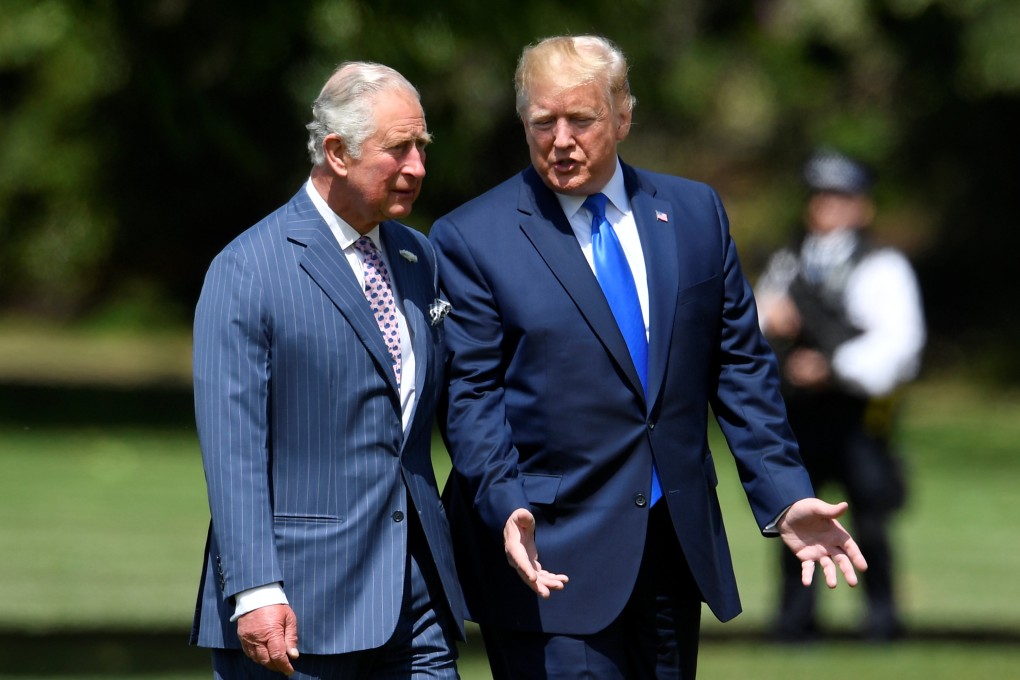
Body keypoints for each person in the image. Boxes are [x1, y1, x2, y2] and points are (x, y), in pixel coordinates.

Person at [429, 35, 868, 679]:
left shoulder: (694, 213)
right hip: (546, 554)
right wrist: (502, 502)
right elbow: (471, 396)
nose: (561, 140)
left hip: (671, 552)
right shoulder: (472, 237)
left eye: (581, 120)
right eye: (542, 122)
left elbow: (741, 367)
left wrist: (784, 495)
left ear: (623, 116)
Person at [189, 61, 465, 678]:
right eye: (399, 149)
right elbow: (232, 449)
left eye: (421, 146)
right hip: (299, 611)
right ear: (337, 153)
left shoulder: (419, 256)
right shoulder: (248, 268)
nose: (418, 166)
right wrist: (256, 590)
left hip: (419, 601)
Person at [756, 148, 925, 642]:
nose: (826, 207)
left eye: (838, 197)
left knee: (869, 517)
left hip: (857, 416)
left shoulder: (881, 265)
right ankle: (794, 620)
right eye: (819, 196)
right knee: (794, 512)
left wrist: (830, 367)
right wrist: (774, 319)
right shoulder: (789, 260)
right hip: (801, 415)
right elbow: (756, 317)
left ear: (861, 206)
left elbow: (898, 345)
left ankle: (881, 619)